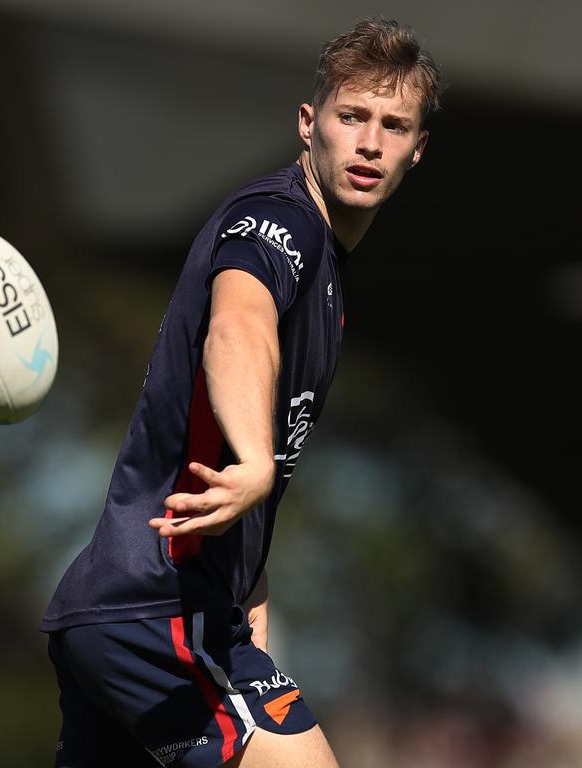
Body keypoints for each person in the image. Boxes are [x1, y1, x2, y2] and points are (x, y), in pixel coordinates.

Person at [43, 18, 441, 768]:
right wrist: (257, 461)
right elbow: (238, 325)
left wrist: (249, 583)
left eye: (394, 126)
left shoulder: (328, 270)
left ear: (417, 149)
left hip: (142, 607)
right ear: (308, 121)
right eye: (351, 116)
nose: (368, 143)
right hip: (157, 609)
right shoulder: (279, 220)